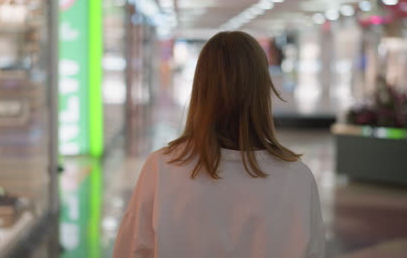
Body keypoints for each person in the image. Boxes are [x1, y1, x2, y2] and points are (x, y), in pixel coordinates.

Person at [113, 31, 325, 258]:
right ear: (263, 90)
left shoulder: (163, 168)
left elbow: (132, 250)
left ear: (200, 88)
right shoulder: (297, 177)